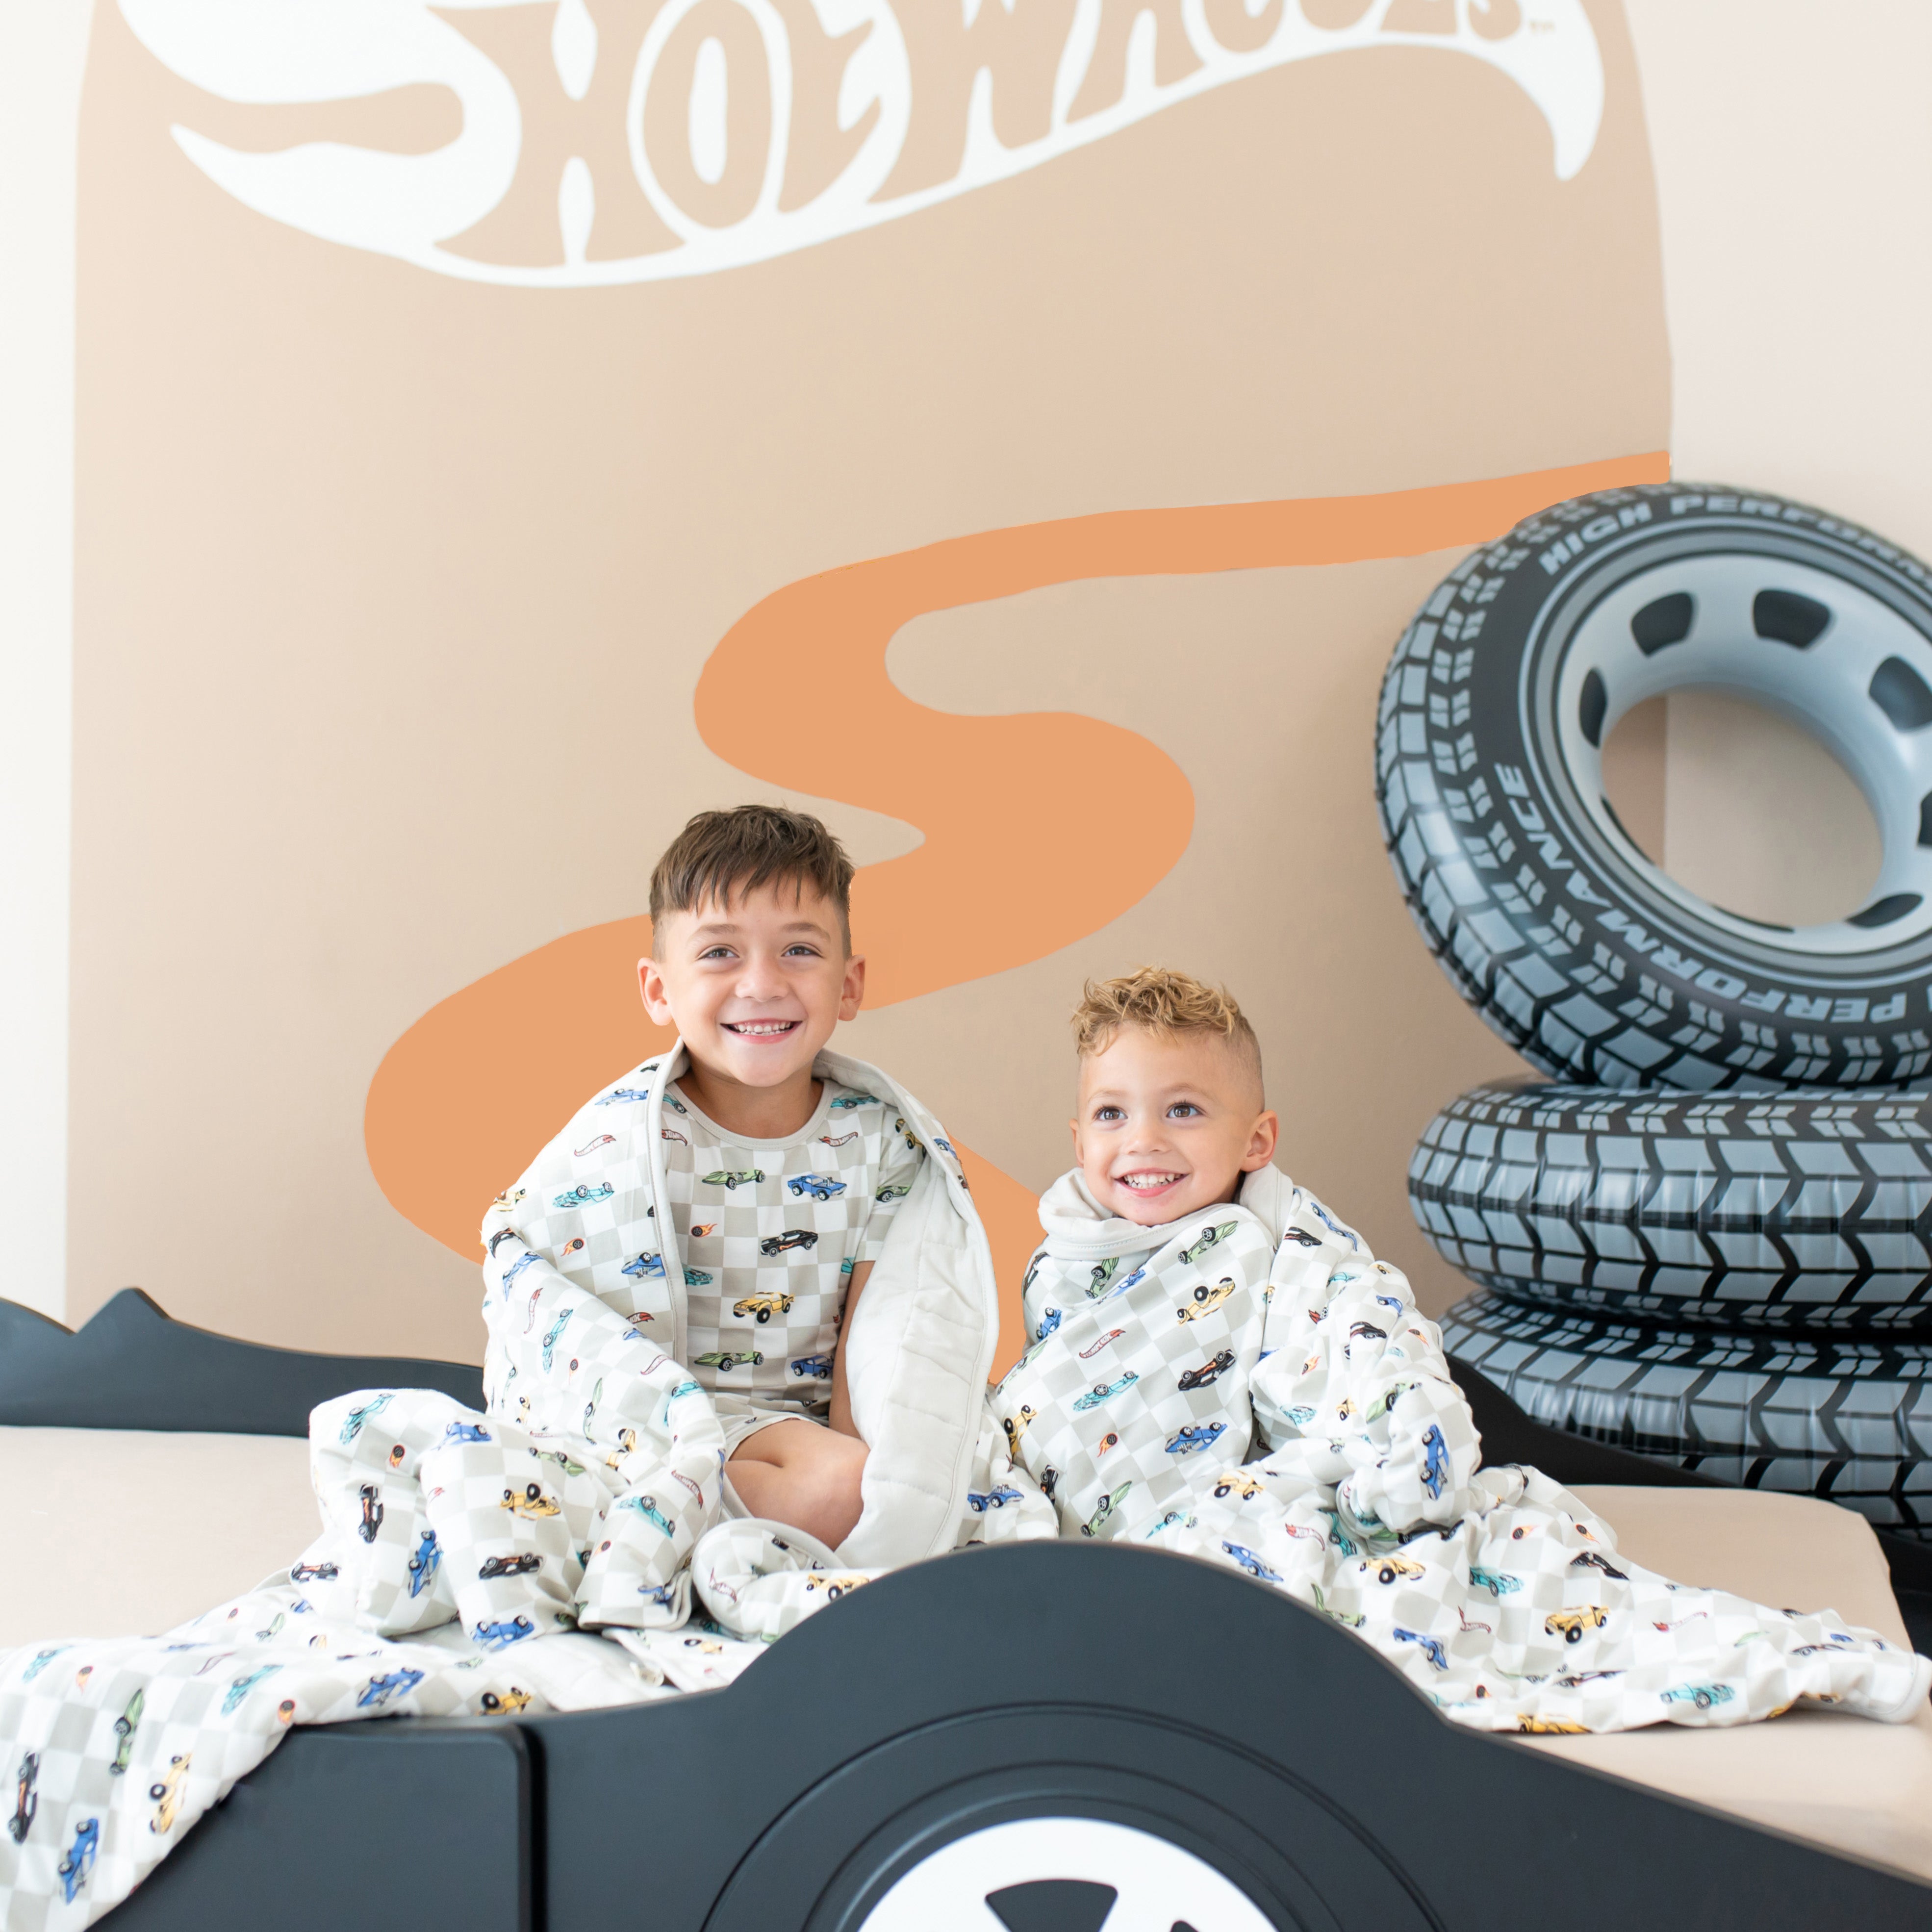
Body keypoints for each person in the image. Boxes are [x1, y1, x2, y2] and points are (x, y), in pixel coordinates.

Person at [994, 966, 1932, 1733]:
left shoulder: (1280, 1248)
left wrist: (1385, 1464)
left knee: (1554, 1524)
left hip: (1423, 1410)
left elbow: (1361, 1341)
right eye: (1113, 1115)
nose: (1144, 1140)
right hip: (1212, 1452)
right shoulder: (1067, 1255)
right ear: (1077, 1138)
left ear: (1258, 1139)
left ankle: (1874, 1587)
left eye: (1185, 1111)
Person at [473, 805, 1029, 1645]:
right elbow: (534, 1278)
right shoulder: (627, 1142)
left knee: (928, 1481)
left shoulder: (878, 1143)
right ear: (660, 990)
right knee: (823, 1490)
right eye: (720, 953)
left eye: (799, 950)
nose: (762, 983)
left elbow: (884, 1340)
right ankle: (646, 1525)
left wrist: (882, 1474)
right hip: (655, 1420)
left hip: (789, 1432)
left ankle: (710, 1537)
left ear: (850, 982)